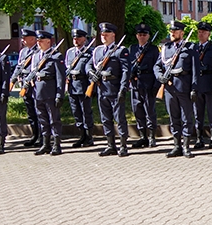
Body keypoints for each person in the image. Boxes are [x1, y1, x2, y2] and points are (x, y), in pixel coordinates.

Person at [154, 20, 197, 158]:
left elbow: (196, 70)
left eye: (175, 31)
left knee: (186, 118)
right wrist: (160, 76)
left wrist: (194, 88)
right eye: (171, 31)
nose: (172, 33)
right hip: (169, 88)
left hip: (184, 86)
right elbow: (157, 65)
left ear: (182, 33)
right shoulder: (166, 48)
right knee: (174, 118)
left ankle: (186, 146)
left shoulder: (190, 48)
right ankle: (176, 145)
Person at [88, 22, 131, 157]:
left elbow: (125, 71)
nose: (104, 37)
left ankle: (123, 146)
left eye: (106, 34)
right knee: (105, 119)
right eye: (102, 34)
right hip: (102, 87)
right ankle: (110, 145)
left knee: (119, 118)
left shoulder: (120, 50)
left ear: (113, 35)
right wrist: (91, 73)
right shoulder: (97, 51)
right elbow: (89, 65)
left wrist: (123, 88)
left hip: (115, 87)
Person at [28, 30, 66, 156]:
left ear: (48, 41)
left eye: (41, 41)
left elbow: (60, 78)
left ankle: (56, 144)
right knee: (42, 119)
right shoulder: (36, 56)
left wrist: (60, 94)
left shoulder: (56, 56)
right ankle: (45, 144)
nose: (38, 43)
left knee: (54, 120)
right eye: (37, 41)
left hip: (50, 92)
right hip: (38, 92)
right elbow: (32, 73)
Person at [128, 23, 160, 148]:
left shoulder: (153, 49)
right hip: (136, 83)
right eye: (140, 34)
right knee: (137, 110)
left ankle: (152, 137)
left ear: (148, 36)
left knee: (149, 111)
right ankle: (143, 137)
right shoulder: (133, 48)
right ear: (137, 36)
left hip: (148, 83)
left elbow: (157, 67)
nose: (142, 37)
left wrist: (156, 85)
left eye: (144, 34)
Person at [193, 21, 212, 149]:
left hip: (210, 83)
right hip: (197, 84)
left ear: (209, 34)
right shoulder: (193, 48)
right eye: (199, 32)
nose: (201, 34)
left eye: (204, 32)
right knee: (197, 113)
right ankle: (199, 138)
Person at [65, 28, 96, 148]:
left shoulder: (90, 52)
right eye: (74, 38)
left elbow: (90, 68)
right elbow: (67, 67)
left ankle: (89, 136)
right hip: (72, 85)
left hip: (83, 85)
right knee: (76, 112)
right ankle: (81, 135)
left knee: (86, 111)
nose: (76, 40)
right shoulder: (70, 52)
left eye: (78, 38)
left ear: (84, 39)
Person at [11, 28, 40, 147]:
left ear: (32, 39)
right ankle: (35, 135)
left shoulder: (38, 52)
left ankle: (43, 136)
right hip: (25, 84)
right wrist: (13, 79)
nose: (22, 40)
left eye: (25, 38)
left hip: (34, 85)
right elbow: (19, 67)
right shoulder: (23, 52)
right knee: (30, 113)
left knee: (39, 112)